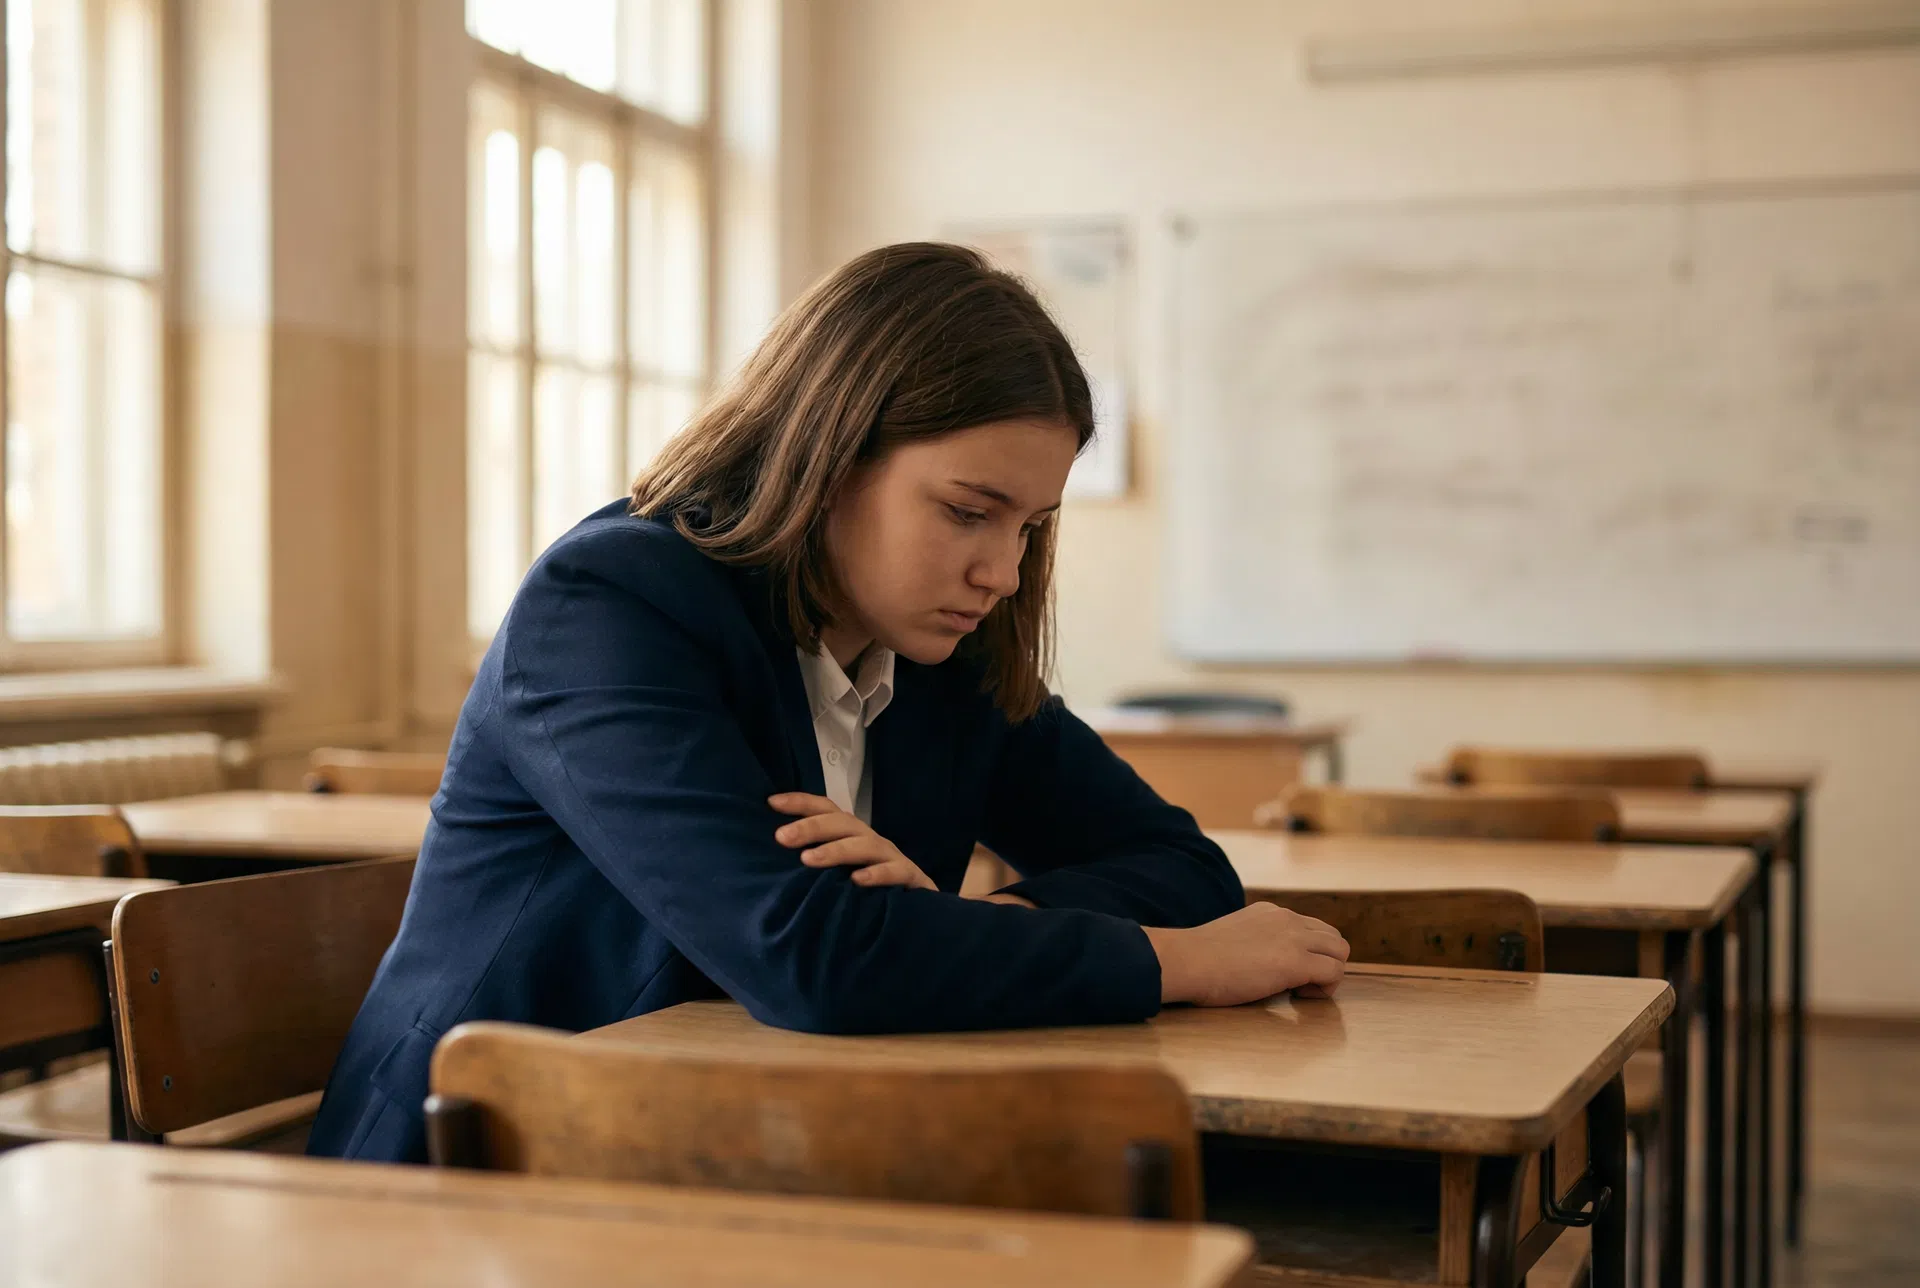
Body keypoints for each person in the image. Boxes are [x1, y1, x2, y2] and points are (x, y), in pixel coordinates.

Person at [307, 242, 1350, 1164]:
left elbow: (1185, 868)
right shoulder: (613, 604)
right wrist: (1168, 962)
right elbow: (812, 960)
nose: (999, 570)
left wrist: (958, 924)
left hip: (749, 1147)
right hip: (486, 1171)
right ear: (828, 451)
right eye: (968, 512)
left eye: (1030, 525)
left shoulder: (946, 651)